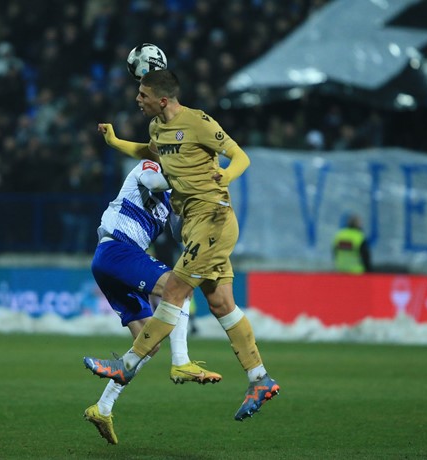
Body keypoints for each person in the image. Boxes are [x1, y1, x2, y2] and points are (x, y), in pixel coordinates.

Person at [84, 69, 280, 423]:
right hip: (195, 225)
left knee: (173, 290)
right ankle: (259, 378)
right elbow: (149, 151)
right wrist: (115, 143)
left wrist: (227, 175)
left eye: (142, 95)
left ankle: (125, 366)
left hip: (213, 219)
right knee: (221, 304)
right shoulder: (157, 128)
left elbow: (240, 156)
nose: (137, 99)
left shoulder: (200, 122)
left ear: (162, 99)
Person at [84, 156, 222, 445]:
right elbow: (152, 182)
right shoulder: (151, 166)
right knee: (180, 285)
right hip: (118, 250)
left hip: (113, 262)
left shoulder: (172, 194)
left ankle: (103, 407)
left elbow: (176, 232)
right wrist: (187, 177)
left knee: (149, 343)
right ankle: (182, 361)